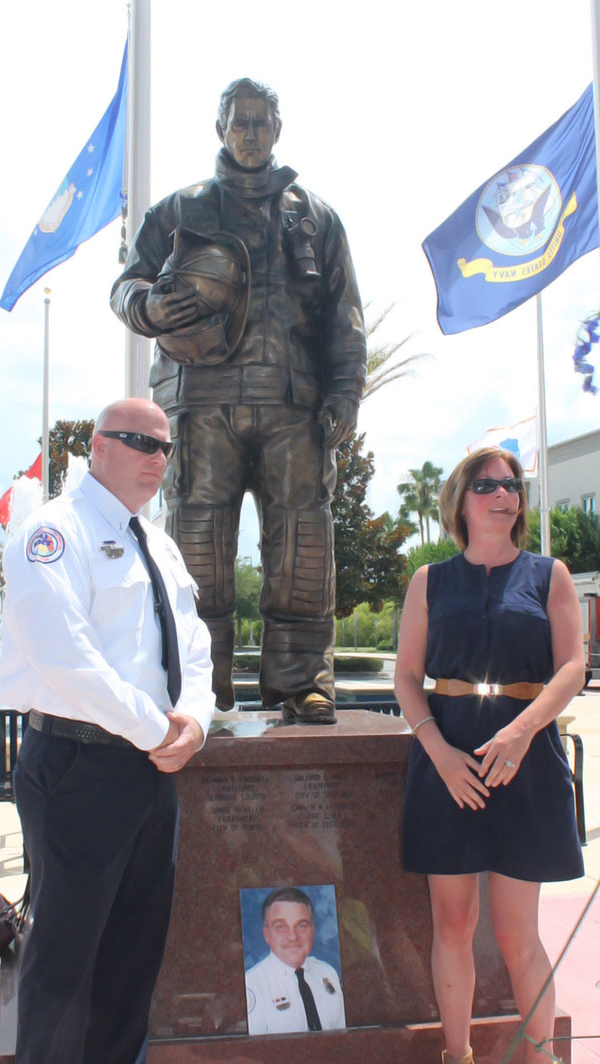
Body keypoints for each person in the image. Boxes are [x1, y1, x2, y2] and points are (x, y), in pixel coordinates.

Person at [0, 397, 216, 1064]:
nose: (157, 455)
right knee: (64, 952)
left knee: (132, 941)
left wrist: (195, 719)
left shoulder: (155, 537)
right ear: (97, 446)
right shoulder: (53, 531)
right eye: (138, 441)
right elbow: (65, 655)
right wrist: (155, 726)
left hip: (151, 765)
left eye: (165, 443)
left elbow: (191, 641)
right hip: (79, 764)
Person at [111, 77, 366, 724]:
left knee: (302, 546)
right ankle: (199, 685)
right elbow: (126, 285)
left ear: (276, 130)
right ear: (220, 130)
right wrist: (148, 303)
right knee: (198, 548)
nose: (249, 134)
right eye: (238, 122)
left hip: (293, 409)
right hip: (202, 405)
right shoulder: (179, 211)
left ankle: (302, 679)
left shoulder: (315, 217)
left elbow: (345, 315)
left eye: (260, 122)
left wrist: (345, 392)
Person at [394, 447, 585, 1064]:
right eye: (488, 486)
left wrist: (522, 731)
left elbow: (573, 667)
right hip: (446, 764)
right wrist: (439, 752)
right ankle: (458, 1061)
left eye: (512, 486)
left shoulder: (549, 575)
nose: (504, 496)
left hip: (522, 763)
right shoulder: (429, 581)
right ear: (460, 500)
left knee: (515, 932)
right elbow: (407, 676)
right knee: (452, 925)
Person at [245, 887, 345, 1035]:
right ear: (267, 934)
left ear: (312, 931)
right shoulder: (252, 984)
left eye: (301, 925)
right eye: (281, 927)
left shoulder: (328, 973)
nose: (292, 936)